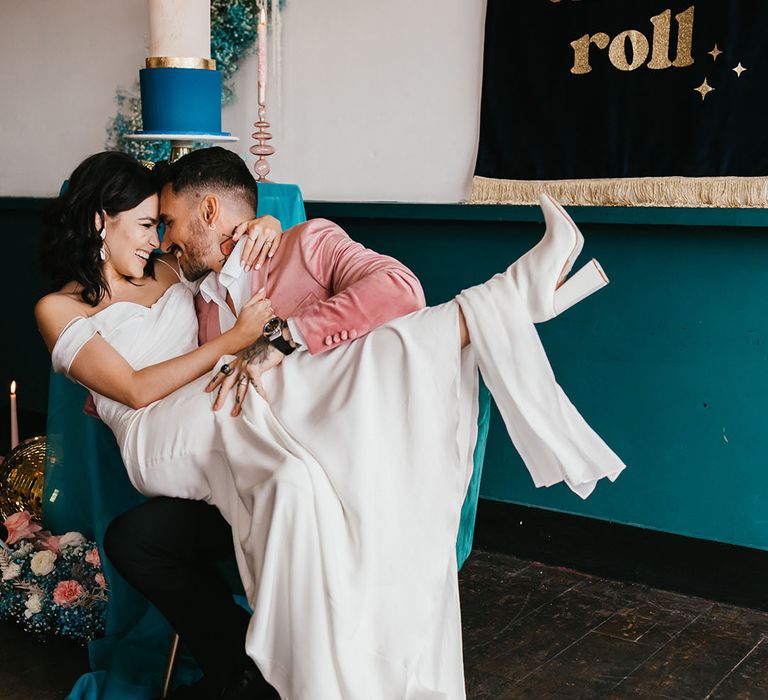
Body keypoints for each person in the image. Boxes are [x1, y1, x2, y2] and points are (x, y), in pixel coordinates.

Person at [36, 150, 625, 700]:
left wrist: (264, 233)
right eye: (146, 225)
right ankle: (499, 306)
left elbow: (242, 259)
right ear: (99, 222)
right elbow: (134, 387)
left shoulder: (171, 274)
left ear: (206, 212)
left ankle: (305, 673)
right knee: (271, 371)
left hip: (227, 420)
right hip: (157, 435)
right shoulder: (60, 307)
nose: (158, 237)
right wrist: (248, 343)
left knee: (285, 390)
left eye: (160, 222)